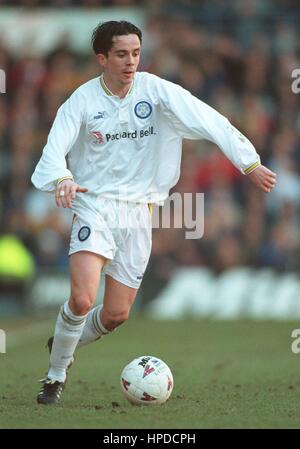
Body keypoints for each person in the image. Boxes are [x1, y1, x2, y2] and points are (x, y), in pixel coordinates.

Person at [31, 20, 276, 405]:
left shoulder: (158, 92)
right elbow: (54, 149)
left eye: (136, 53)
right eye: (122, 54)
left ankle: (64, 340)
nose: (131, 62)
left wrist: (250, 162)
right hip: (95, 204)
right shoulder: (80, 101)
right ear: (102, 58)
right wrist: (62, 178)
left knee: (115, 315)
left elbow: (208, 118)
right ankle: (55, 374)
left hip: (139, 213)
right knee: (81, 299)